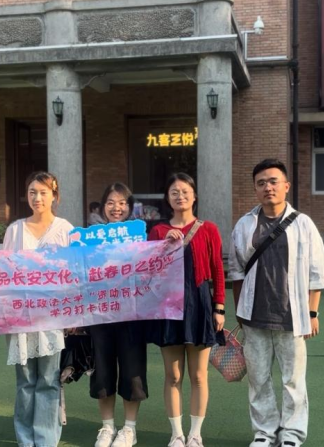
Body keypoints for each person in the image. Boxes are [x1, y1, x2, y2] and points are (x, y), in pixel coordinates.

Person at [229, 159, 324, 447]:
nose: (268, 187)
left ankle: (292, 435)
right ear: (255, 189)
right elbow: (236, 271)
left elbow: (317, 271)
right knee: (258, 379)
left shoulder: (303, 223)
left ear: (286, 186)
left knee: (293, 380)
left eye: (273, 181)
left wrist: (312, 312)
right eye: (261, 183)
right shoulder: (245, 224)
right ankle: (264, 433)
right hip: (254, 315)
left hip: (292, 316)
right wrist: (240, 312)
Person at [148, 173, 226, 447]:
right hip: (168, 308)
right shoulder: (157, 231)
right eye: (174, 192)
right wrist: (164, 245)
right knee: (173, 375)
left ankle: (195, 435)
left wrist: (219, 307)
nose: (180, 196)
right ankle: (177, 435)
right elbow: (149, 270)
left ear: (194, 196)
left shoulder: (209, 229)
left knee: (199, 375)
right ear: (167, 199)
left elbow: (218, 269)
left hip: (200, 305)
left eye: (185, 191)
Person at [2, 171, 74, 447]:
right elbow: (4, 272)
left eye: (43, 192)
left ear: (54, 196)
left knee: (48, 378)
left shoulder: (65, 229)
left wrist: (72, 314)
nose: (37, 198)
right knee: (25, 380)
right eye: (32, 192)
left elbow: (73, 273)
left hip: (53, 316)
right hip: (21, 315)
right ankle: (25, 438)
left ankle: (45, 439)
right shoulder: (15, 230)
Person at [92, 183, 149, 447]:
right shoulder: (91, 238)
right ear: (103, 207)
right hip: (100, 315)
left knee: (132, 371)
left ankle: (129, 429)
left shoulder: (140, 238)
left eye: (122, 202)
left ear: (130, 206)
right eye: (111, 202)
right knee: (102, 372)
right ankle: (107, 427)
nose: (117, 208)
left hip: (132, 315)